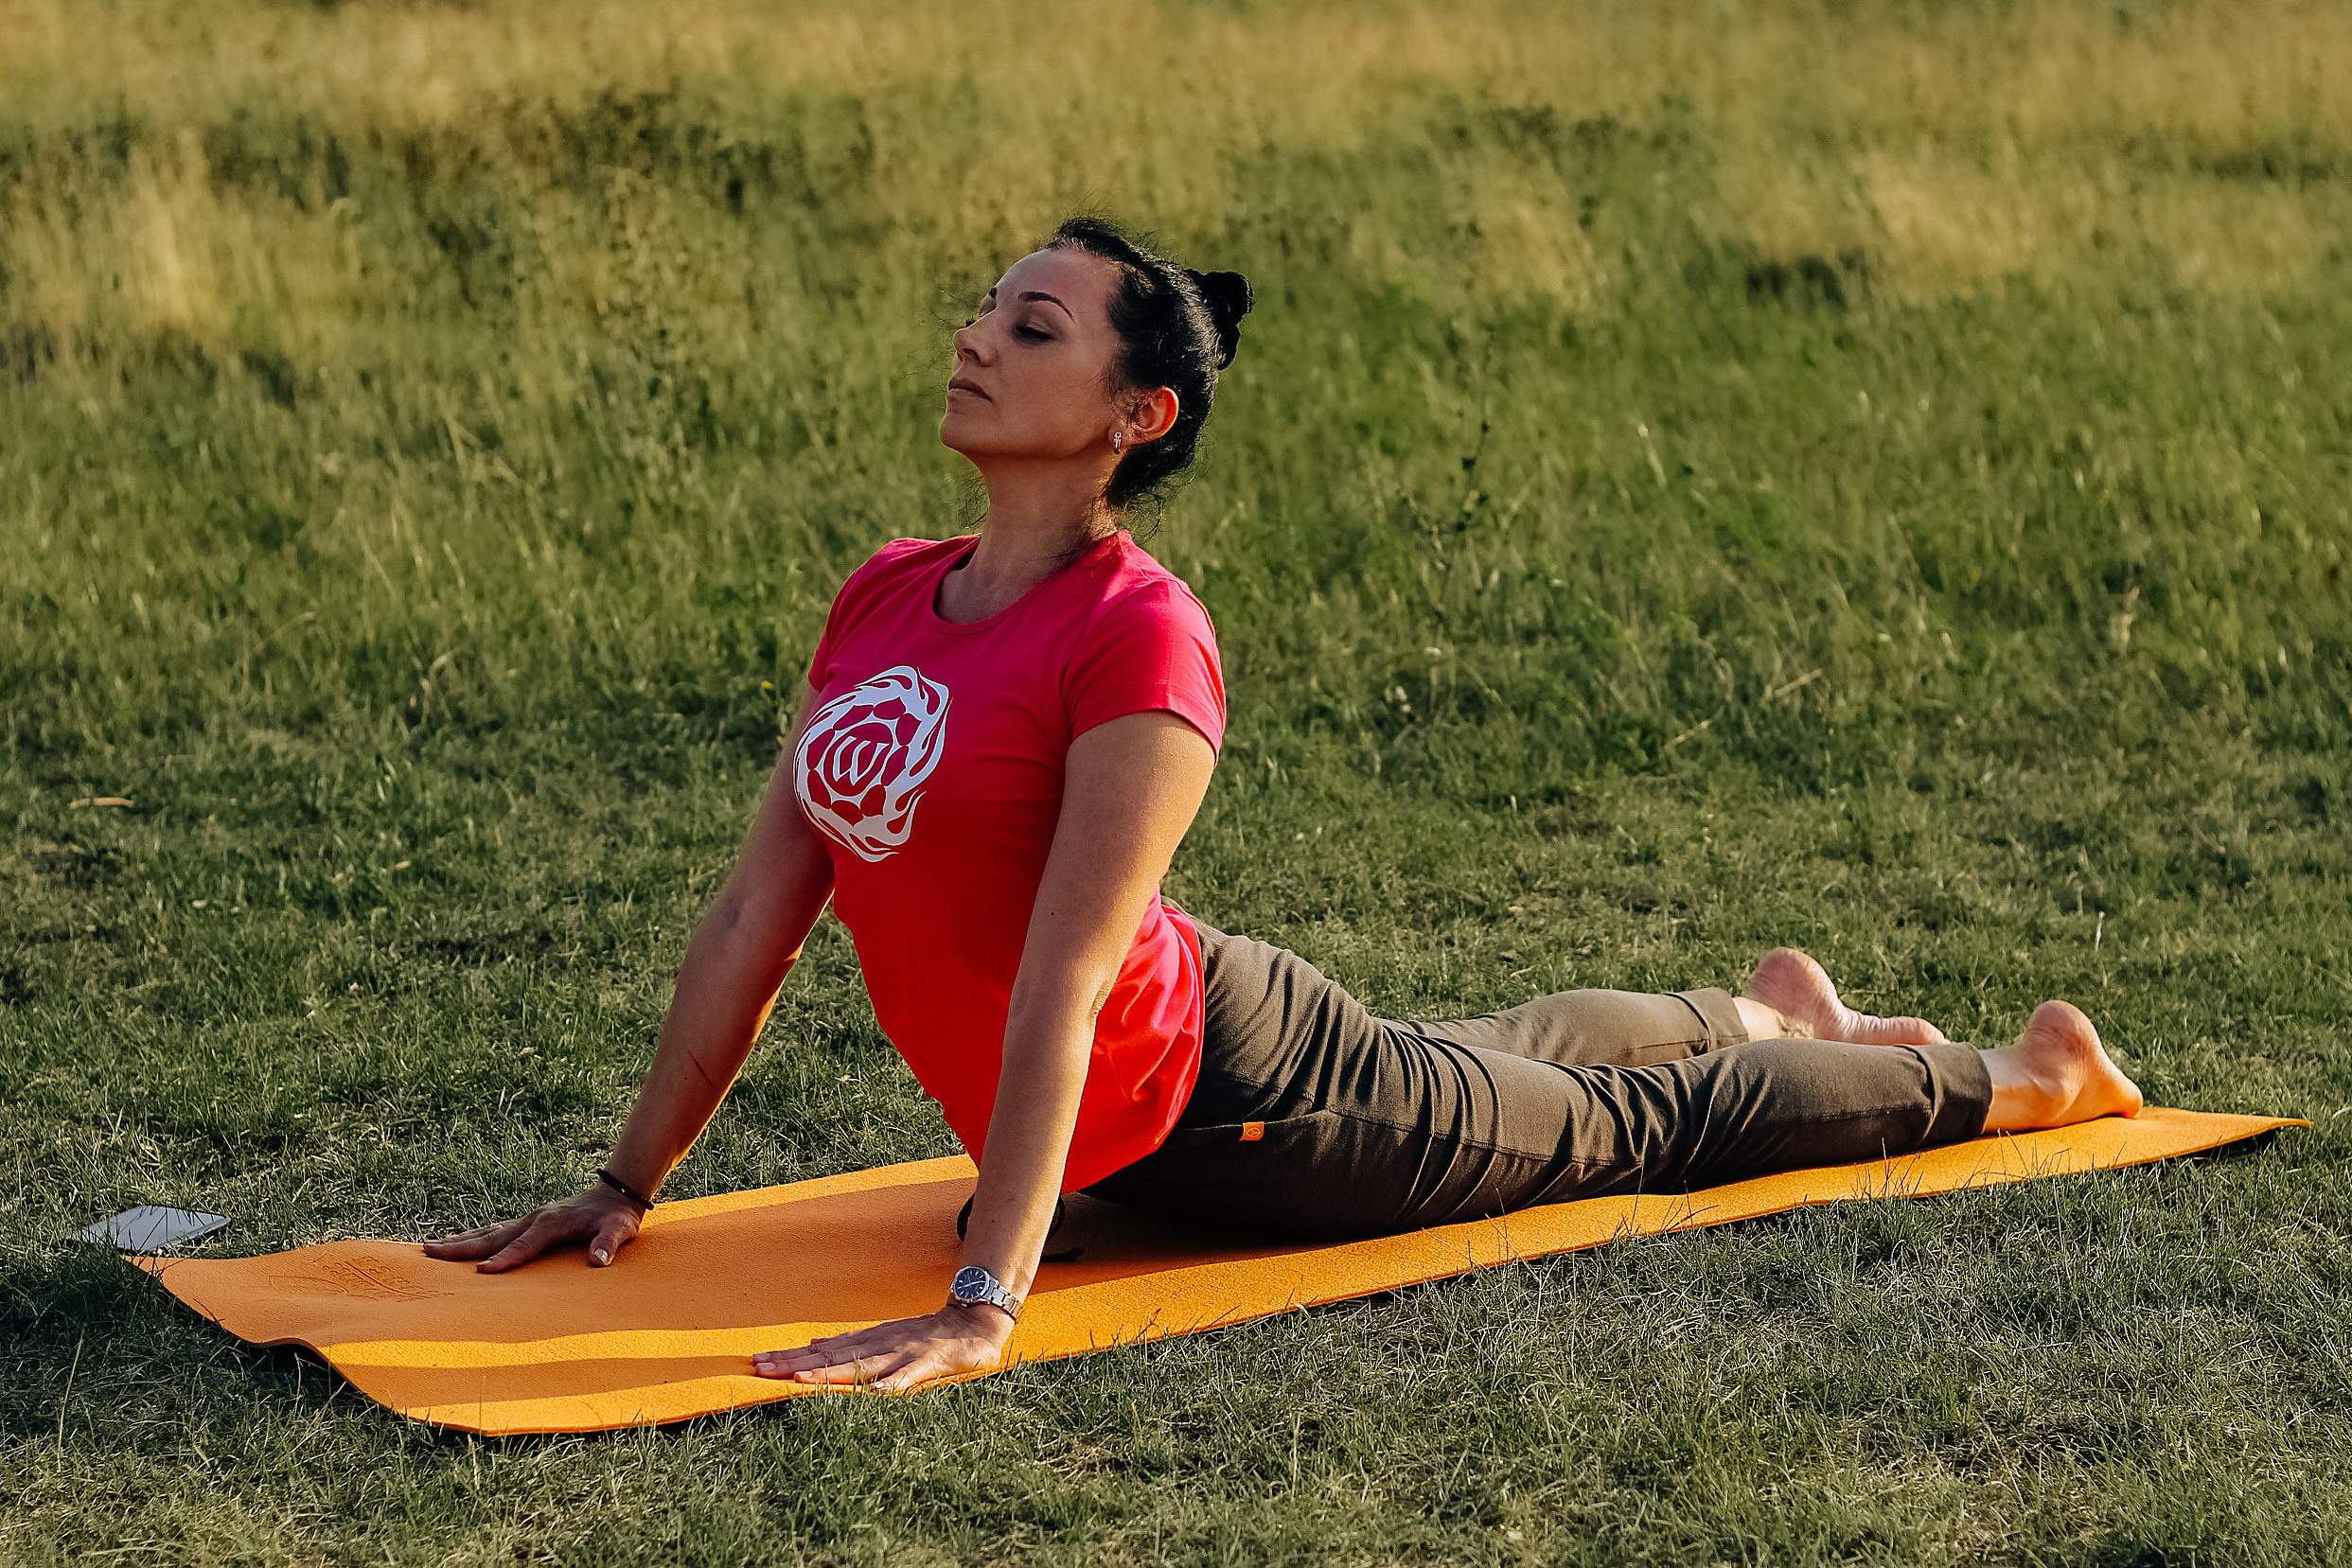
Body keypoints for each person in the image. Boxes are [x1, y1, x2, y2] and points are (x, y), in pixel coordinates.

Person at [425, 217, 2143, 1391]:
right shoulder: (886, 590)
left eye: (1030, 328)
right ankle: (1753, 1005)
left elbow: (1066, 980)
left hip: (1238, 1106)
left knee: (1623, 1133)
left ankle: (2013, 1070)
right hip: (1143, 1127)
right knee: (1498, 1054)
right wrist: (623, 1182)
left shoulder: (1138, 633)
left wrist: (983, 1297)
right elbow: (753, 914)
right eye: (981, 307)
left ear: (1132, 416)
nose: (972, 337)